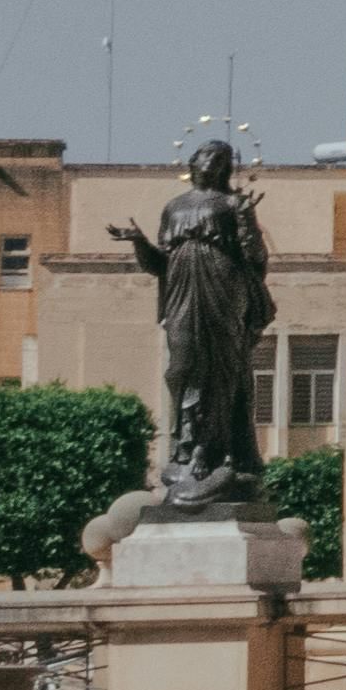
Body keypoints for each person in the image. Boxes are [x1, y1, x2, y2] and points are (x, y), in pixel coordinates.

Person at [115, 137, 278, 513]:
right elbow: (161, 264)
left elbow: (255, 259)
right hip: (182, 293)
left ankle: (211, 449)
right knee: (181, 369)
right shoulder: (173, 208)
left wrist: (247, 219)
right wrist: (139, 242)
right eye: (208, 156)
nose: (213, 164)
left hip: (222, 290)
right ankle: (185, 447)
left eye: (221, 160)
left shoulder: (234, 204)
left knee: (217, 372)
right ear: (194, 160)